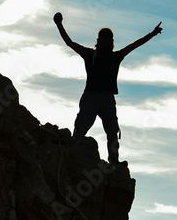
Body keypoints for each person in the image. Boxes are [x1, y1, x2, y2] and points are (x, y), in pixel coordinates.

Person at [53, 11, 162, 165]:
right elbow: (134, 45)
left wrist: (152, 34)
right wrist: (59, 25)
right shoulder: (97, 55)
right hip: (95, 97)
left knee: (108, 131)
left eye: (108, 39)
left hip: (102, 98)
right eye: (106, 39)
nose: (107, 42)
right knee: (86, 130)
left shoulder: (99, 55)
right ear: (105, 41)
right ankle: (81, 155)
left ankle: (113, 162)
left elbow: (134, 45)